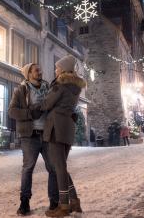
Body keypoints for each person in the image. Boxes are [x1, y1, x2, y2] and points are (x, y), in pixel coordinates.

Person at [34, 55, 86, 217]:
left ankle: (64, 206)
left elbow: (47, 103)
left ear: (63, 69)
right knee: (61, 166)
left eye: (57, 68)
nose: (55, 70)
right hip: (68, 128)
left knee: (59, 168)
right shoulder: (75, 87)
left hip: (56, 127)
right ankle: (74, 201)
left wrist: (33, 108)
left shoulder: (60, 85)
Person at [8, 63, 58, 216]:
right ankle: (24, 202)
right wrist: (30, 114)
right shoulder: (21, 90)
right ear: (29, 73)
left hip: (47, 134)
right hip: (30, 136)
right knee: (28, 168)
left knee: (54, 168)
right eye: (36, 70)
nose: (40, 71)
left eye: (40, 69)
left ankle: (54, 202)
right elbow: (12, 111)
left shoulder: (48, 88)